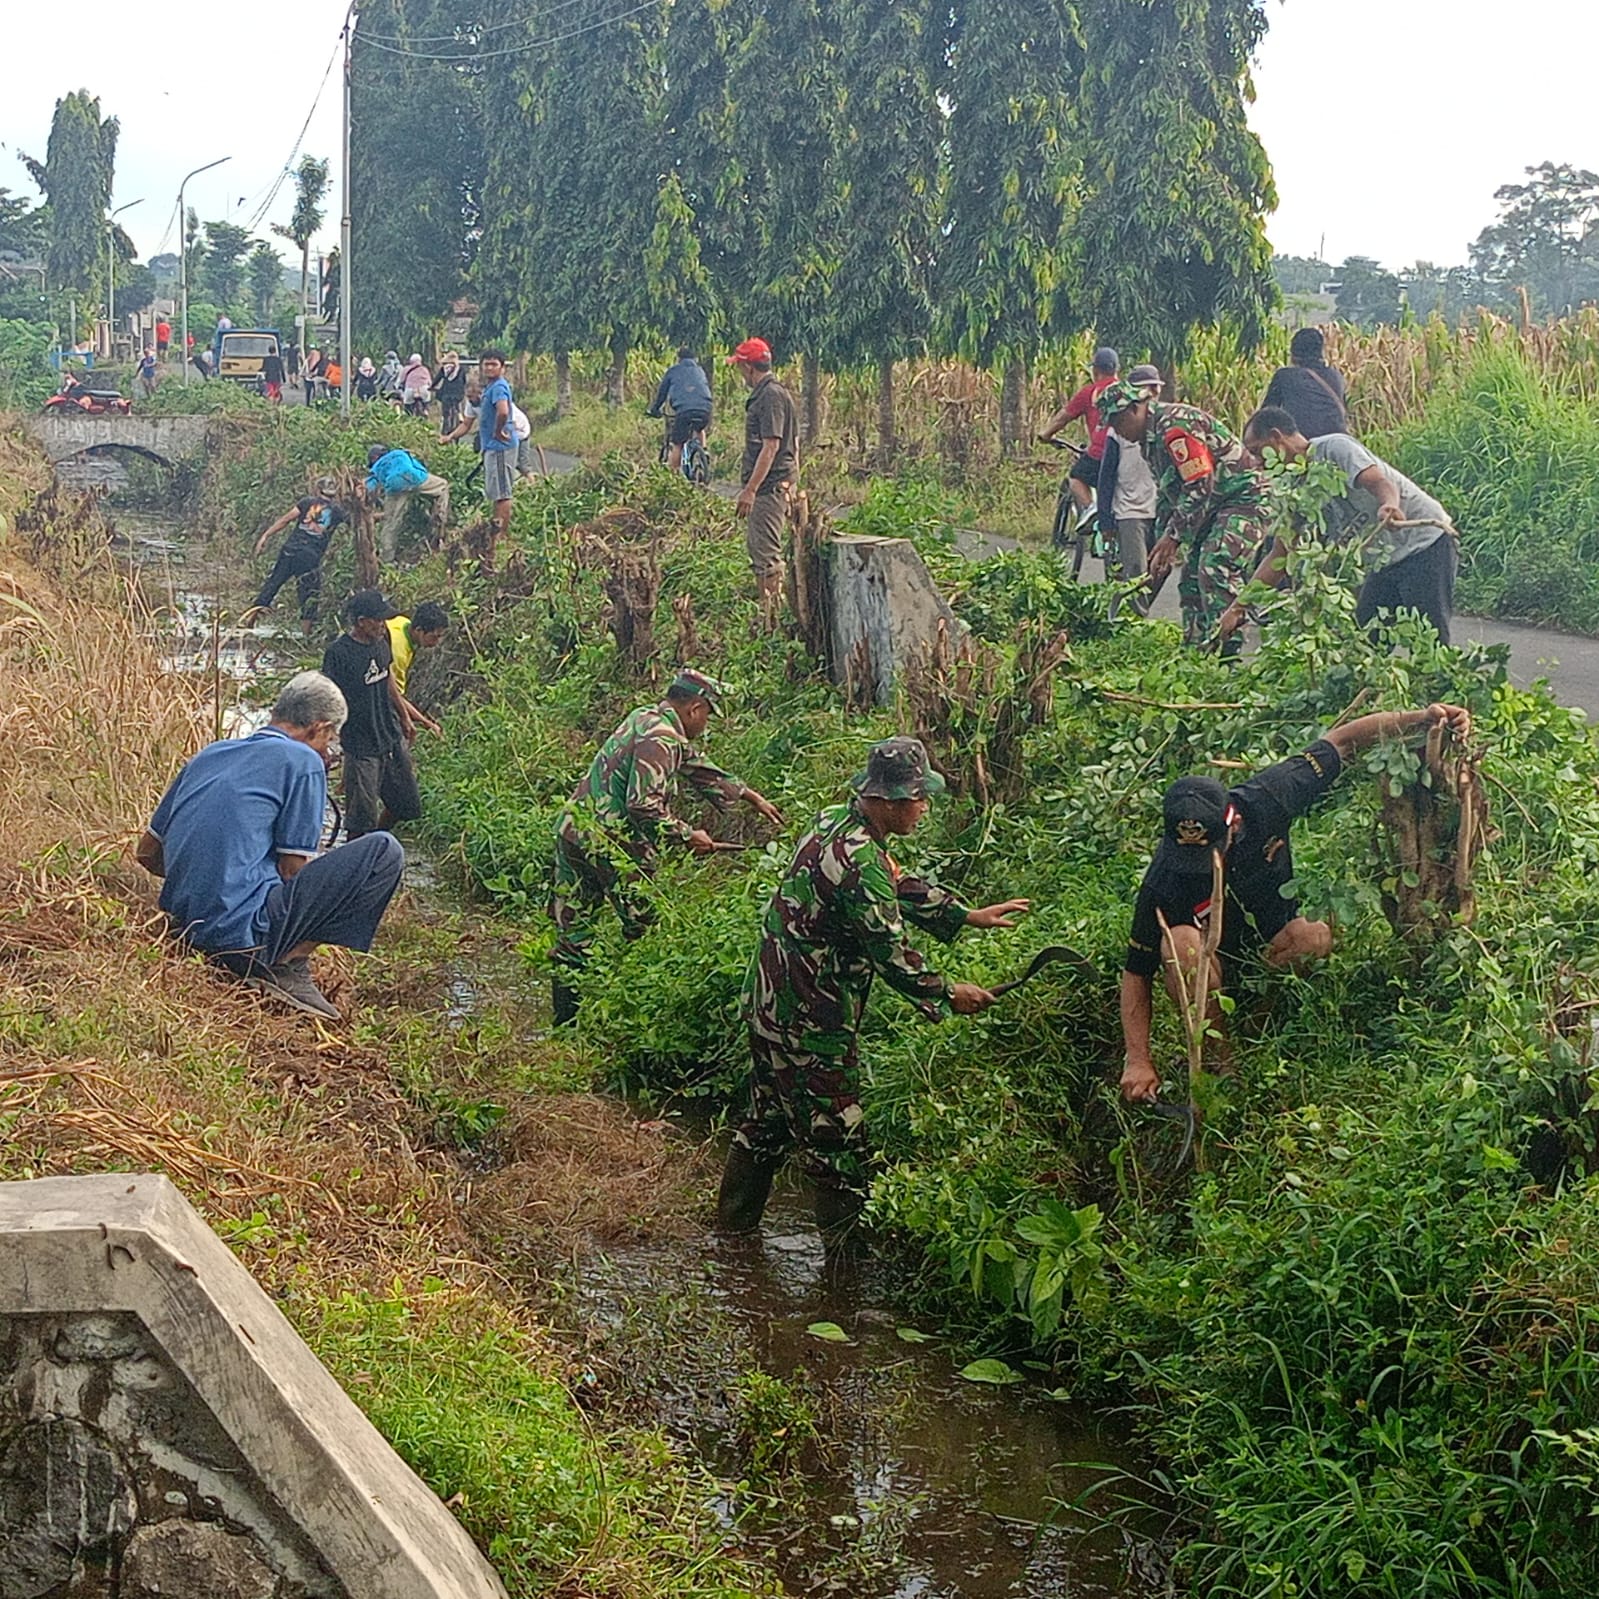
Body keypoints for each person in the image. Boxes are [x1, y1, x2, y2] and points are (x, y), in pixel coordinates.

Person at [721, 737, 1028, 1244]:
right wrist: (949, 993)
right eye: (918, 798)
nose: (924, 807)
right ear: (887, 801)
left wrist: (962, 915)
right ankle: (845, 1282)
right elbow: (891, 952)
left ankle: (730, 1241)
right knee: (838, 1144)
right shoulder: (861, 860)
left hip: (770, 1008)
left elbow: (894, 883)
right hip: (811, 1024)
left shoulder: (834, 823)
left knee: (765, 1123)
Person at [1118, 703, 1472, 1103]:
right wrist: (1138, 1060)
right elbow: (1136, 973)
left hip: (1273, 950)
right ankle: (1221, 1059)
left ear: (1232, 821)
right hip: (1209, 968)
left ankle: (1258, 1025)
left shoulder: (1270, 796)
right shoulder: (1164, 877)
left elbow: (1343, 741)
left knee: (1314, 936)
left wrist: (1421, 719)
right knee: (1180, 946)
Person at [134, 670, 405, 1020]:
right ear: (318, 729)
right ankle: (287, 962)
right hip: (244, 937)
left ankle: (258, 947)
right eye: (331, 739)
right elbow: (293, 870)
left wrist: (210, 872)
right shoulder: (304, 761)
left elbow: (146, 853)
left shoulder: (210, 753)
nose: (330, 749)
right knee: (385, 850)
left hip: (185, 927)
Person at [549, 669, 784, 1024]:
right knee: (645, 926)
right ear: (694, 708)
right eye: (707, 714)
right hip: (613, 844)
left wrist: (751, 797)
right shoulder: (662, 739)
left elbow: (695, 765)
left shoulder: (645, 718)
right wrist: (688, 835)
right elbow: (642, 805)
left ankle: (565, 1025)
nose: (706, 723)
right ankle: (631, 1020)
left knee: (574, 927)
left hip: (574, 833)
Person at [1232, 408, 1461, 645]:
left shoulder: (1334, 449)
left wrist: (1389, 505)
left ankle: (1438, 682)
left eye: (1257, 451)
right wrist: (1238, 607)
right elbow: (1279, 555)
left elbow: (1379, 481)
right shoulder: (1290, 488)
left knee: (1429, 640)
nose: (1257, 462)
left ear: (1276, 436)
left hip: (1425, 543)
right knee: (1362, 644)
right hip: (1383, 561)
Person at [1096, 379, 1270, 652]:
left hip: (1244, 499)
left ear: (1133, 410)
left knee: (1214, 568)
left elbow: (1200, 484)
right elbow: (1171, 496)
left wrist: (1174, 538)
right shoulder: (1148, 440)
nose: (1117, 432)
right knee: (1190, 580)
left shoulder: (1174, 428)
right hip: (1212, 507)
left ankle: (1229, 659)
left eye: (1116, 423)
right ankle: (1196, 654)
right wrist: (1162, 545)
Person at [321, 589, 423, 840]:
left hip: (389, 735)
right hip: (361, 743)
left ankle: (376, 841)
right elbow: (328, 697)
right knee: (360, 817)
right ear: (361, 622)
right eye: (377, 620)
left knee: (406, 804)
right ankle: (359, 858)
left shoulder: (381, 642)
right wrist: (327, 742)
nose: (382, 625)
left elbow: (387, 679)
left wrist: (404, 717)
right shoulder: (339, 653)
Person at [730, 337, 798, 618]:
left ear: (748, 367)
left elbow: (771, 446)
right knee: (760, 549)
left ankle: (772, 618)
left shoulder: (770, 396)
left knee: (767, 556)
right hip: (778, 483)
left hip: (770, 488)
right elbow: (794, 443)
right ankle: (768, 613)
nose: (739, 373)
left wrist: (751, 490)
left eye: (739, 367)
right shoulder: (772, 393)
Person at [1094, 364, 1164, 612]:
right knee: (1134, 571)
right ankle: (1126, 624)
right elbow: (1106, 477)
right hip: (1130, 511)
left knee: (1159, 569)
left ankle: (1132, 617)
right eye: (1148, 389)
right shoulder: (1120, 431)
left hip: (1159, 508)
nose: (1153, 394)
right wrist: (1105, 521)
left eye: (1156, 388)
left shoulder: (1162, 426)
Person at [249, 477, 347, 628]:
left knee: (273, 584)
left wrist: (265, 535)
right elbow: (359, 521)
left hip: (290, 550)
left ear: (317, 490)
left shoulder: (307, 502)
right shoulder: (337, 511)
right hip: (310, 556)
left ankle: (249, 622)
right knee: (309, 594)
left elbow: (285, 520)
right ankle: (306, 635)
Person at [1038, 346, 1120, 515]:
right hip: (1128, 453)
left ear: (1096, 370)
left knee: (1076, 477)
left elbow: (1063, 418)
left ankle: (1091, 509)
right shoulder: (1127, 391)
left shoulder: (1089, 393)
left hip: (1101, 453)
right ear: (1116, 369)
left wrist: (1046, 434)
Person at [365, 443, 451, 564]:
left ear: (374, 458)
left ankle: (386, 558)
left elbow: (369, 484)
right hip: (413, 477)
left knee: (391, 522)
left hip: (394, 485)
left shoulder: (377, 467)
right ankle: (440, 525)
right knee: (443, 485)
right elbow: (419, 468)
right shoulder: (400, 453)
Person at [1262, 327, 1349, 440]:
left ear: (1293, 353)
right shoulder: (1336, 376)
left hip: (1304, 444)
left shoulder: (1285, 376)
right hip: (1340, 441)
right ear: (1321, 351)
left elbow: (1266, 415)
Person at [386, 601, 451, 738]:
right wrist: (426, 723)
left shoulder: (403, 622)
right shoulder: (398, 652)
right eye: (434, 637)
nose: (436, 643)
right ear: (419, 630)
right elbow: (394, 696)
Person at [647, 347, 714, 474]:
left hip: (684, 410)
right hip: (705, 409)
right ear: (694, 358)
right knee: (699, 428)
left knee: (678, 443)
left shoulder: (673, 371)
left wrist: (655, 409)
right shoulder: (700, 370)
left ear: (679, 358)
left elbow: (662, 393)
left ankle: (673, 476)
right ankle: (704, 450)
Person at [477, 349, 516, 559]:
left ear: (503, 367)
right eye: (486, 364)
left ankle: (501, 538)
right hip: (492, 447)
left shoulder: (500, 386)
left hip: (500, 447)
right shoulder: (490, 387)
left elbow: (502, 411)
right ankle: (496, 533)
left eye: (494, 364)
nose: (489, 368)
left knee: (503, 493)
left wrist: (498, 431)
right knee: (497, 492)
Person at [434, 351, 468, 434]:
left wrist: (431, 386)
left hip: (446, 394)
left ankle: (445, 427)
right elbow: (464, 381)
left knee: (446, 412)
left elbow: (437, 379)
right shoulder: (461, 369)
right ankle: (460, 416)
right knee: (458, 403)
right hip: (458, 394)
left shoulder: (444, 369)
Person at [400, 353, 432, 417]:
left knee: (407, 405)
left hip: (410, 390)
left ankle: (407, 414)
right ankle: (426, 409)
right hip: (423, 389)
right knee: (426, 400)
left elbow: (401, 380)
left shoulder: (406, 369)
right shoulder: (424, 369)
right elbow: (429, 382)